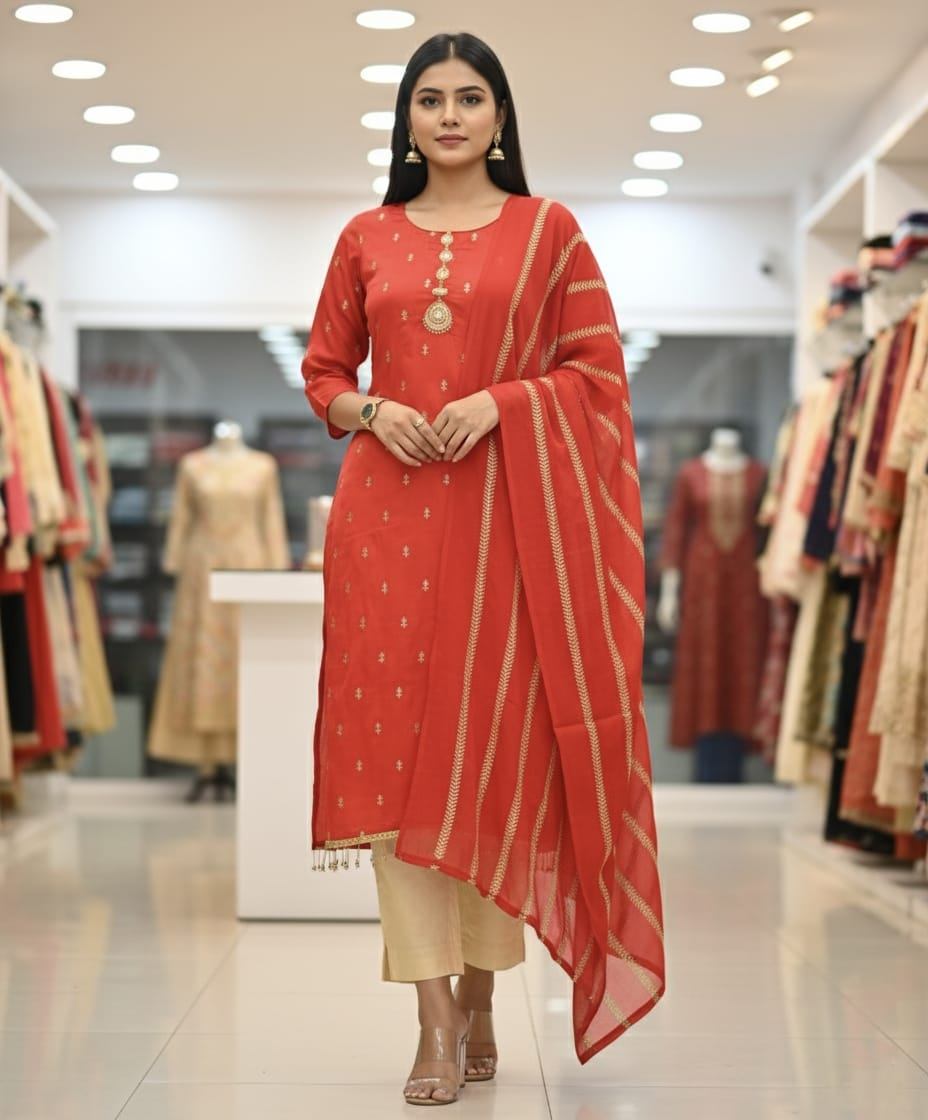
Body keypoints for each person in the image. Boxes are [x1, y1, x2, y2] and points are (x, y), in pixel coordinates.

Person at [302, 31, 665, 1107]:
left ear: (500, 116)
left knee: (494, 760)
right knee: (394, 768)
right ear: (407, 121)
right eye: (430, 100)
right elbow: (323, 369)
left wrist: (503, 402)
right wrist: (372, 409)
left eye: (470, 98)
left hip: (509, 523)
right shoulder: (365, 234)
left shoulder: (550, 231)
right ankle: (432, 1016)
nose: (450, 116)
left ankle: (482, 990)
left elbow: (595, 375)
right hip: (383, 523)